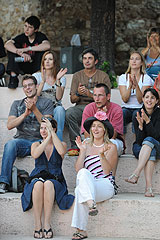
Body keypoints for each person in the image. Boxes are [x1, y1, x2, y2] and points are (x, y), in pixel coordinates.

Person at [21, 117, 74, 239]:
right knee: (39, 184)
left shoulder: (62, 144)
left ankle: (47, 223)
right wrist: (47, 138)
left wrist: (52, 135)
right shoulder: (36, 144)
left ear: (54, 129)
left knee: (49, 184)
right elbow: (35, 154)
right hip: (37, 176)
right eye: (42, 128)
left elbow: (61, 151)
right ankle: (37, 224)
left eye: (47, 128)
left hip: (56, 179)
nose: (43, 131)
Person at [0, 75, 54, 194]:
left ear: (36, 86)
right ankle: (3, 182)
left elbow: (49, 124)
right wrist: (24, 114)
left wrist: (34, 109)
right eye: (25, 86)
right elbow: (9, 125)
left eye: (30, 85)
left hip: (40, 141)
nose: (28, 88)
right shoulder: (17, 104)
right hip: (22, 142)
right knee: (10, 144)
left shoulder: (47, 103)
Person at [71, 111, 117, 239]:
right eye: (93, 126)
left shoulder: (110, 146)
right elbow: (78, 169)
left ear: (104, 130)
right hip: (89, 184)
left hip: (104, 184)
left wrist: (101, 155)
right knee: (83, 174)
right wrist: (82, 151)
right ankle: (91, 204)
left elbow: (107, 171)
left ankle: (80, 230)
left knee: (79, 190)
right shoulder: (85, 144)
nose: (95, 129)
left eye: (99, 126)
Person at [65, 48, 111, 156]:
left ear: (95, 61)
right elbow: (72, 99)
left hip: (97, 107)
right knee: (69, 113)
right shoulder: (77, 75)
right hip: (80, 106)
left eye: (90, 58)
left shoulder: (103, 76)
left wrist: (89, 94)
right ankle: (76, 145)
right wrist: (78, 93)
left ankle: (96, 145)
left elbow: (107, 99)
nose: (87, 61)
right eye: (85, 58)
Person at [81, 83, 124, 192]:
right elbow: (86, 133)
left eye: (100, 95)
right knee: (85, 143)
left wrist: (104, 121)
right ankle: (91, 178)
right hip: (94, 139)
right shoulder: (88, 108)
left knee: (113, 145)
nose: (97, 99)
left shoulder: (116, 109)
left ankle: (111, 180)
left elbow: (113, 134)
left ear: (108, 96)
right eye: (95, 95)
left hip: (113, 139)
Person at [125, 88, 160, 197]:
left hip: (158, 145)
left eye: (152, 98)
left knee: (150, 141)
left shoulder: (159, 114)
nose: (149, 100)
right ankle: (148, 189)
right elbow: (139, 141)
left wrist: (148, 122)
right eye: (147, 97)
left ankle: (136, 173)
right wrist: (140, 126)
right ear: (143, 99)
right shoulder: (137, 113)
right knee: (150, 151)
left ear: (157, 101)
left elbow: (156, 137)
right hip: (141, 147)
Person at [5, 15, 50, 89]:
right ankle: (13, 78)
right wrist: (20, 53)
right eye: (25, 26)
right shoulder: (22, 37)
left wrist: (27, 49)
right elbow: (7, 44)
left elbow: (47, 45)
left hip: (36, 66)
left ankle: (38, 77)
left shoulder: (40, 36)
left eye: (30, 27)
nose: (26, 29)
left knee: (42, 51)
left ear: (36, 30)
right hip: (23, 65)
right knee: (12, 50)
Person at [33, 51, 67, 141]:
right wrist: (43, 82)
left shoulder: (61, 77)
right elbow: (35, 96)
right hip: (41, 107)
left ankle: (58, 142)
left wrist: (58, 80)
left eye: (50, 59)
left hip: (55, 107)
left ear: (54, 62)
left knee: (60, 110)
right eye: (45, 59)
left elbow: (59, 97)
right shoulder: (36, 76)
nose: (47, 61)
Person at [119, 51, 154, 134]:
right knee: (122, 113)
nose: (134, 61)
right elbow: (125, 99)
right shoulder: (123, 77)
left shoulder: (146, 78)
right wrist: (130, 86)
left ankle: (137, 141)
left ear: (141, 62)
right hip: (126, 108)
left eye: (137, 59)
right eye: (132, 59)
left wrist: (137, 85)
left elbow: (140, 100)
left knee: (136, 113)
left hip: (140, 107)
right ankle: (121, 140)